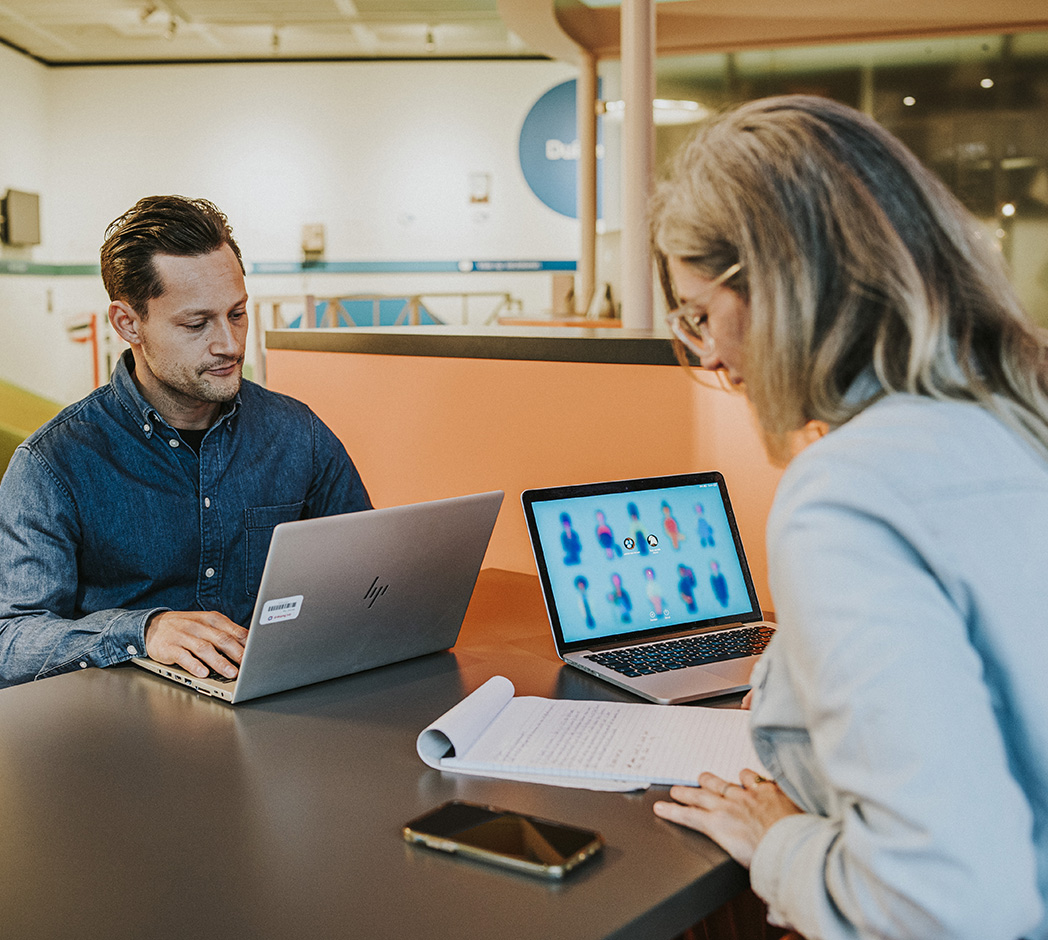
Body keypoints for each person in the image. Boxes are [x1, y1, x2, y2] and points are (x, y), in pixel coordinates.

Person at [649, 96, 1048, 940]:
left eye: (700, 315)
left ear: (781, 287)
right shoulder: (1016, 421)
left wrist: (782, 844)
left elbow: (946, 903)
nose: (709, 353)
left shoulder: (848, 494)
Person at [0, 195, 371, 689]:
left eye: (237, 314)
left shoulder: (297, 433)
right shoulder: (53, 465)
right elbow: (11, 639)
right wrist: (142, 630)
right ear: (128, 324)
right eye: (196, 324)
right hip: (121, 737)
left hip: (278, 716)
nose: (230, 344)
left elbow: (370, 579)